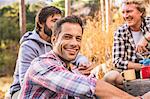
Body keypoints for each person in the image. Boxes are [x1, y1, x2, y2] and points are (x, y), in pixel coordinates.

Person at [18, 15, 143, 99]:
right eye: (67, 37)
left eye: (78, 38)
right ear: (54, 39)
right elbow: (87, 86)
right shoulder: (41, 64)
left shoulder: (71, 69)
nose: (74, 43)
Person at [6, 6, 90, 99]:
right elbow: (23, 80)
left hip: (53, 84)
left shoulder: (58, 43)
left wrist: (83, 63)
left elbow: (78, 56)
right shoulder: (28, 45)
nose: (58, 24)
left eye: (59, 21)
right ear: (41, 23)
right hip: (21, 89)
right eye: (54, 21)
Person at [103, 0, 150, 88]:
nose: (125, 16)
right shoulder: (120, 32)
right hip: (129, 73)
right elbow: (117, 61)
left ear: (141, 12)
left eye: (129, 11)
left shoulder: (148, 23)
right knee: (110, 77)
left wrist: (146, 38)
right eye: (123, 12)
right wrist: (142, 66)